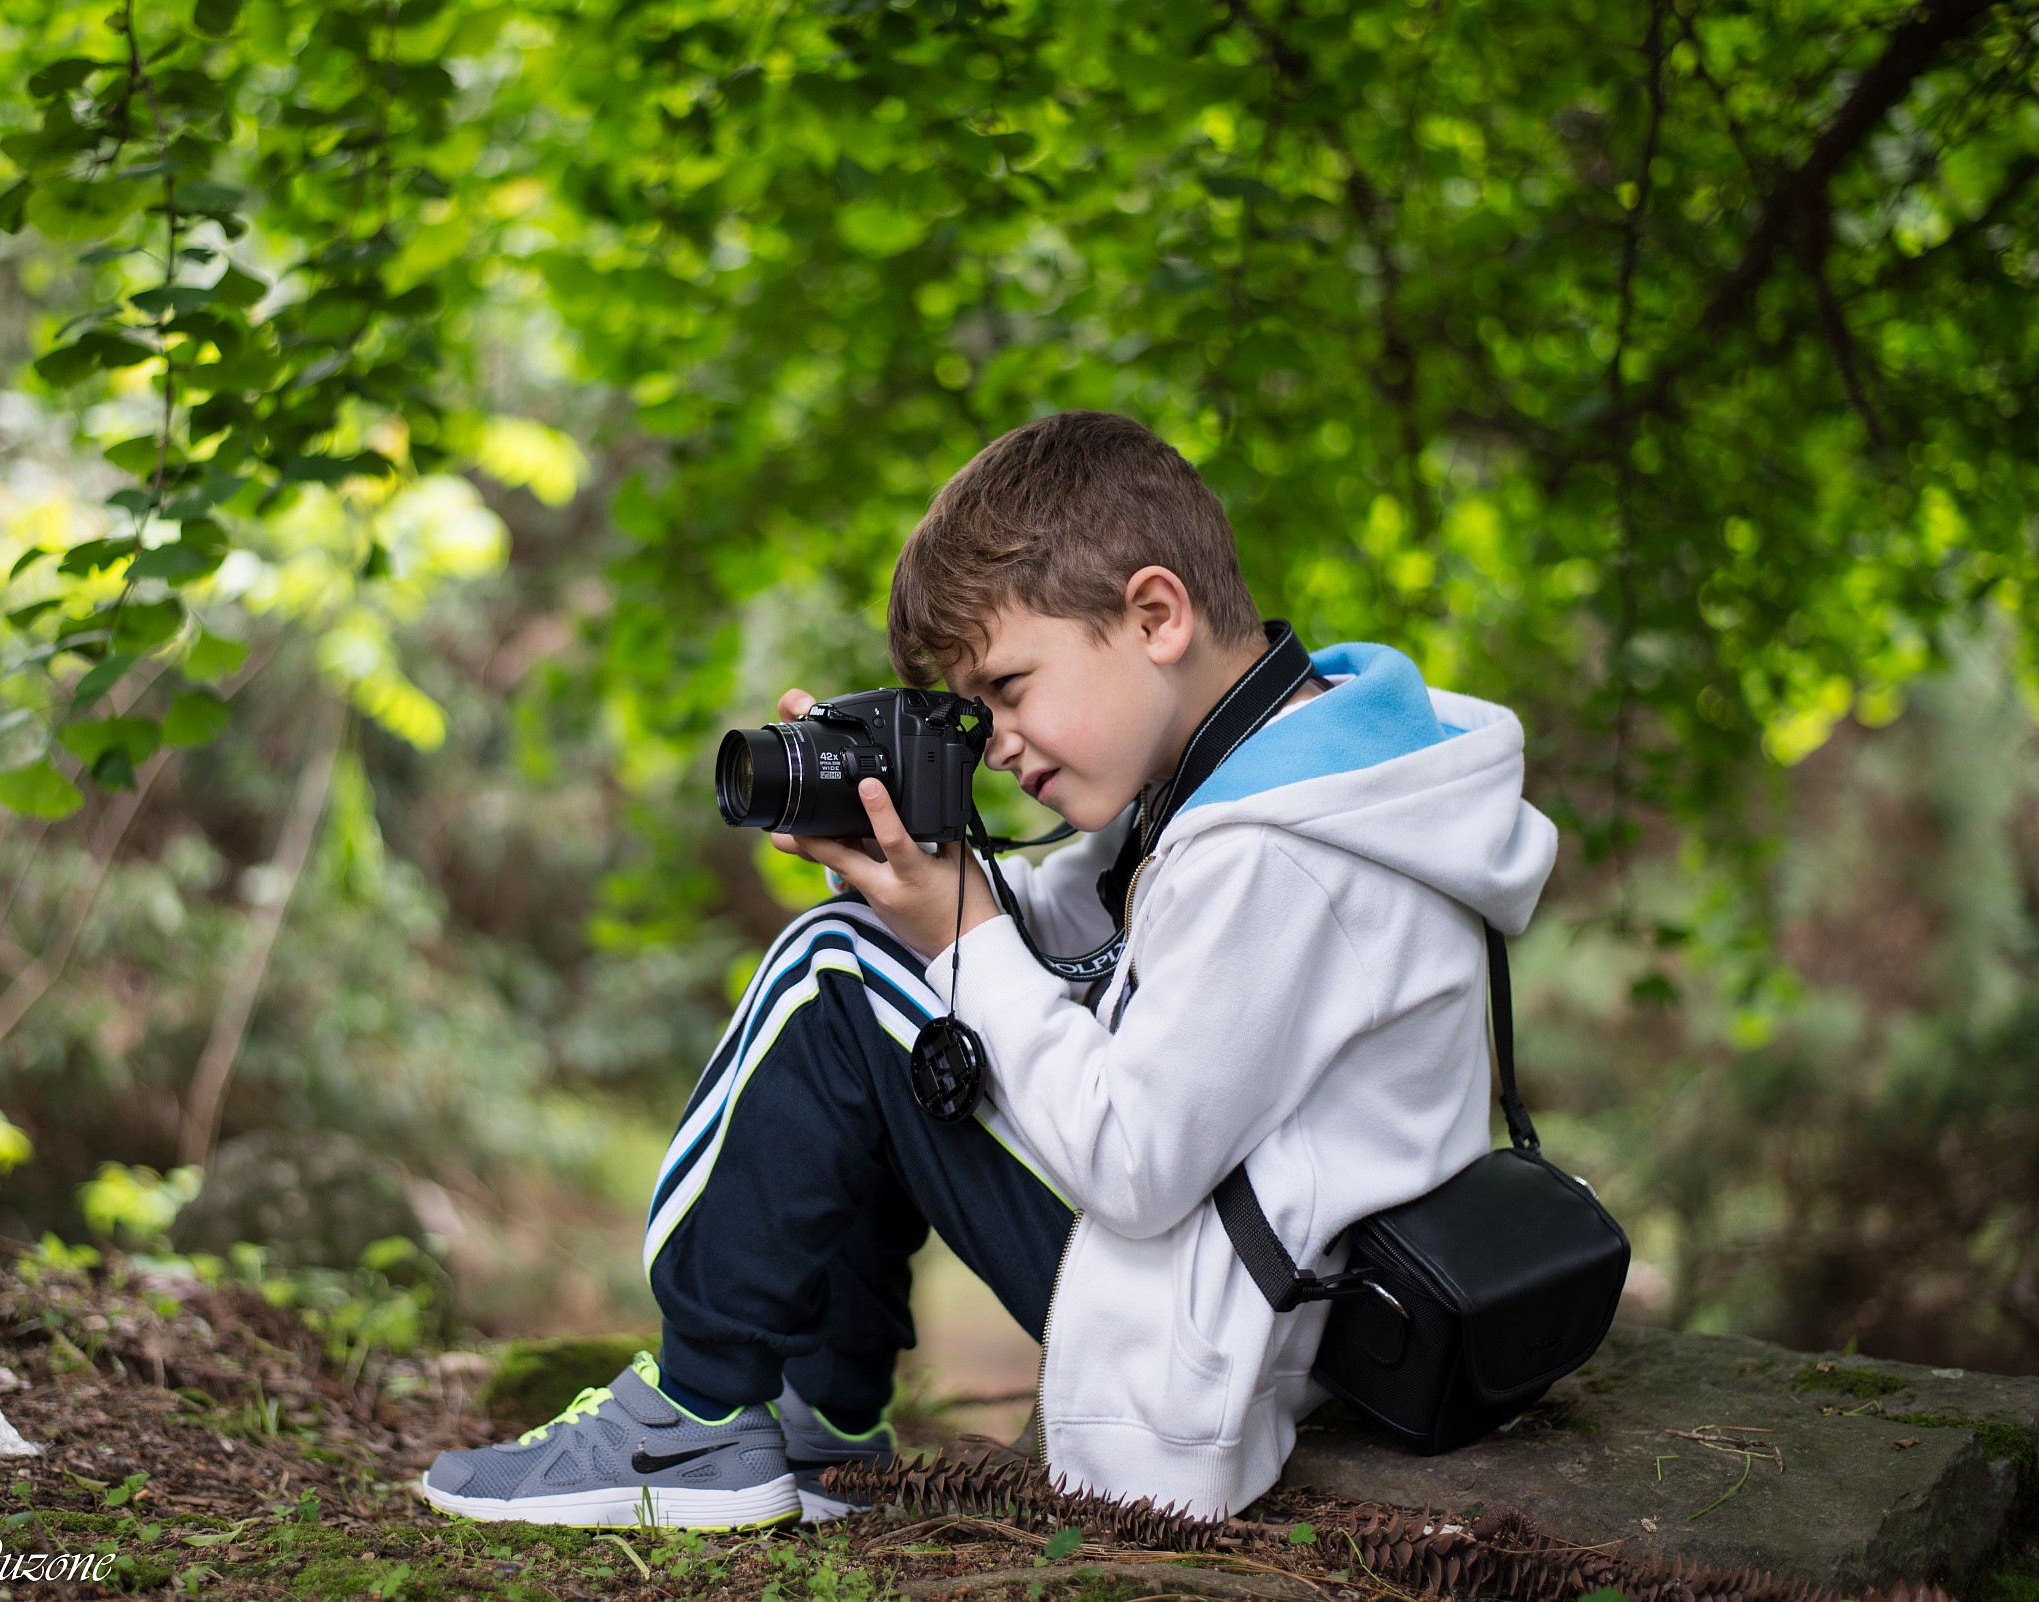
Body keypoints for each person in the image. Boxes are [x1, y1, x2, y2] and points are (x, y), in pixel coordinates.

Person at [419, 410, 1557, 1528]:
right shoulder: (1266, 778)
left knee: (835, 976)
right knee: (873, 970)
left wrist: (949, 934)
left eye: (1008, 692)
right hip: (1280, 1299)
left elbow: (1137, 1161)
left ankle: (697, 1410)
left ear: (1155, 613)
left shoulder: (1275, 851)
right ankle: (824, 1432)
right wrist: (905, 857)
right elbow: (1034, 933)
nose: (999, 743)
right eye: (972, 714)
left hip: (1233, 1341)